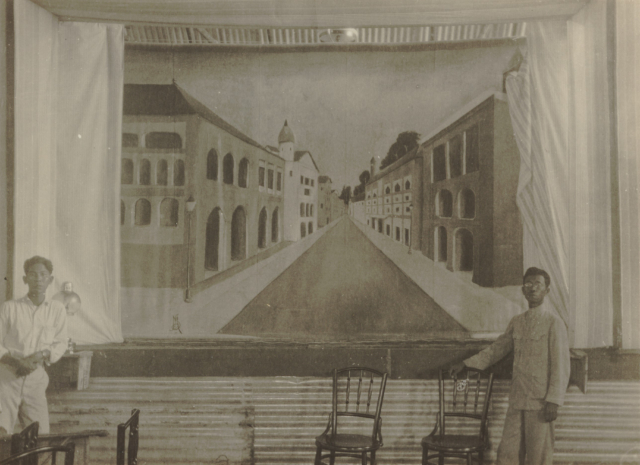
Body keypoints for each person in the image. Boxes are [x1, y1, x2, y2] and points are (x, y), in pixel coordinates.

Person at [449, 267, 570, 465]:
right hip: (517, 399)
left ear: (547, 290)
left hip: (541, 403)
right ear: (523, 290)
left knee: (538, 458)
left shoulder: (554, 323)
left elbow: (561, 365)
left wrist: (554, 401)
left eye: (537, 284)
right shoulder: (517, 321)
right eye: (528, 284)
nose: (532, 288)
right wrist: (466, 364)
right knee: (507, 455)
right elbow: (496, 350)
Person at [0, 256, 68, 434]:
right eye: (33, 274)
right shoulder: (9, 308)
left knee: (40, 435)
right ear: (25, 279)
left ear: (50, 280)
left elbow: (61, 342)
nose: (38, 279)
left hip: (35, 376)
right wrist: (16, 361)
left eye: (43, 275)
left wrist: (40, 355)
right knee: (1, 430)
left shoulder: (57, 309)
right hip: (6, 378)